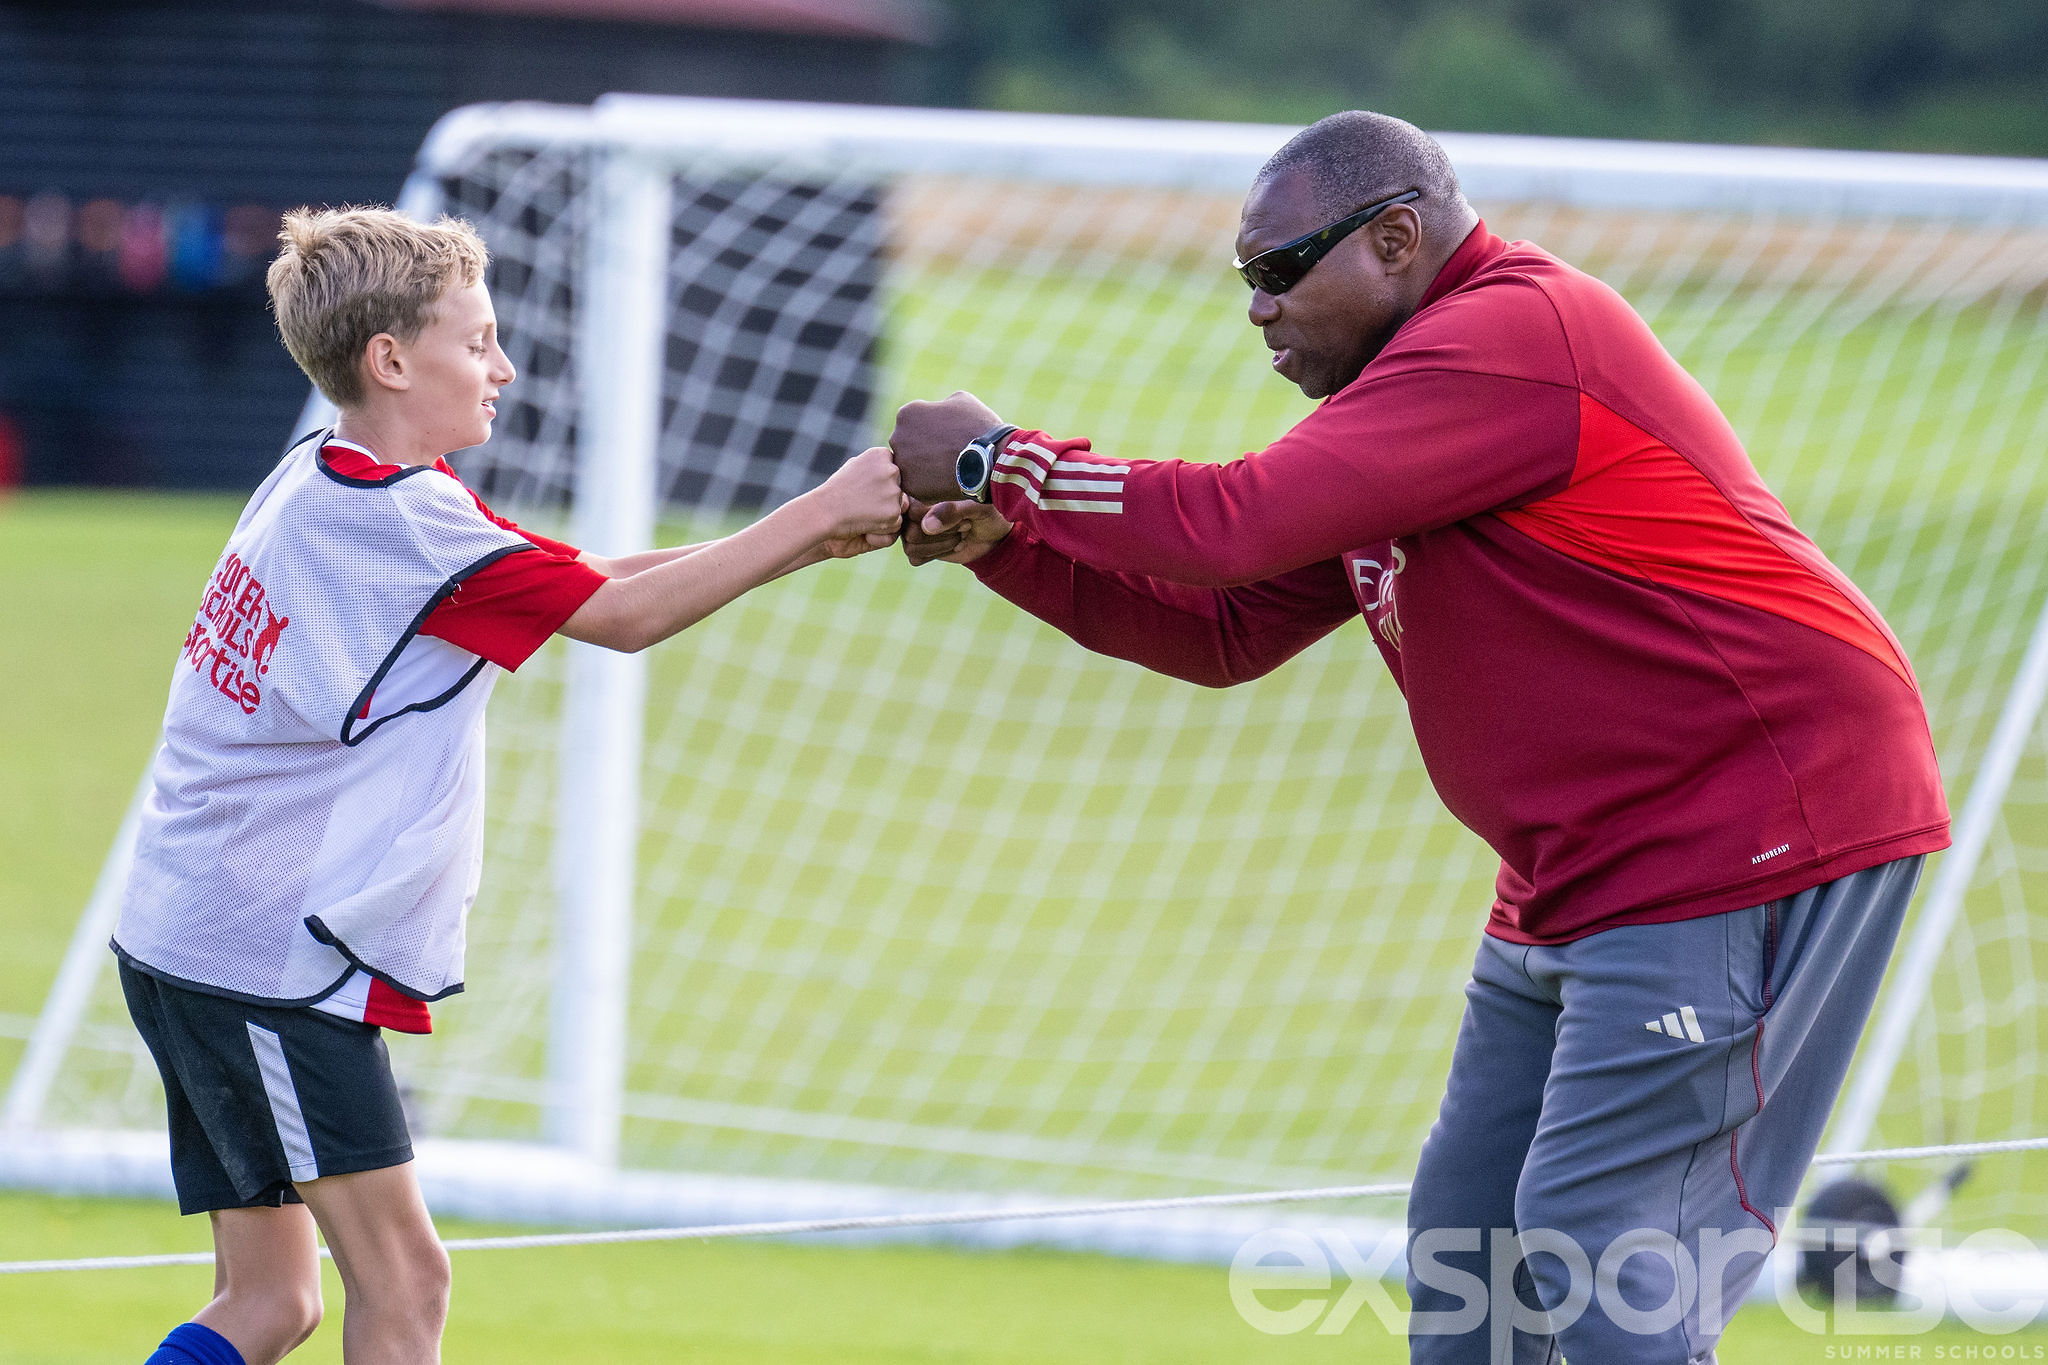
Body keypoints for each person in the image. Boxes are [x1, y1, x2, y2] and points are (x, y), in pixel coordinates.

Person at [886, 111, 1949, 1363]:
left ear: (1394, 239)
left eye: (1279, 271)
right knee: (1469, 1254)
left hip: (1748, 822)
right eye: (1245, 280)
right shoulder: (1406, 399)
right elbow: (1224, 628)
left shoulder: (1511, 335)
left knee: (1598, 1247)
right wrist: (1007, 551)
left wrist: (995, 462)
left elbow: (1228, 523)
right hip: (1577, 862)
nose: (1257, 310)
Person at [111, 206, 904, 1365]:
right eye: (477, 341)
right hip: (261, 962)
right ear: (391, 361)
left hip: (189, 933)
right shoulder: (407, 518)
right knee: (407, 1285)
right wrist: (823, 506)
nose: (504, 367)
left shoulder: (328, 474)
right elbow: (619, 617)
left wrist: (796, 542)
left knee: (272, 1304)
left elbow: (575, 581)